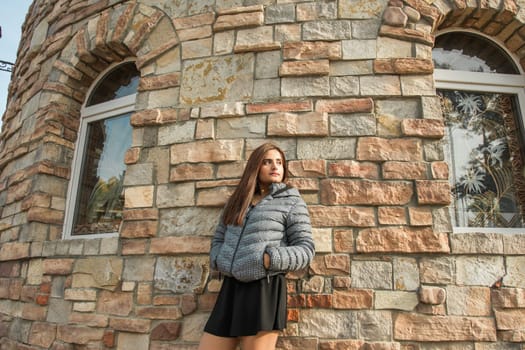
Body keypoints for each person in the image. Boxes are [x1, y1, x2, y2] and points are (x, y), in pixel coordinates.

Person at [198, 142, 315, 350]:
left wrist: (268, 259)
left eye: (279, 162)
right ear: (255, 167)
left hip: (264, 288)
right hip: (231, 288)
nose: (275, 166)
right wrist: (219, 258)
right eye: (267, 162)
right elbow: (219, 238)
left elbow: (306, 249)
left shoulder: (291, 201)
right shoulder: (238, 201)